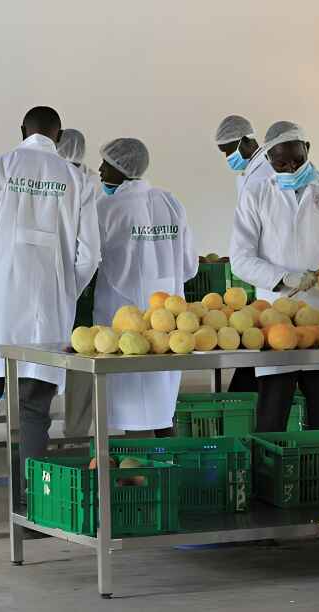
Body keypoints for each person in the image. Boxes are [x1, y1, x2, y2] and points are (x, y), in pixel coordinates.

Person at [0, 107, 101, 538]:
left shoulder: (1, 164)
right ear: (60, 135)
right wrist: (68, 287)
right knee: (34, 411)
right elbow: (90, 255)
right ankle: (31, 513)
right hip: (48, 305)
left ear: (22, 132)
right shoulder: (77, 179)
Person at [229, 121, 319, 432]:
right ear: (268, 160)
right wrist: (286, 278)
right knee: (271, 419)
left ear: (308, 149)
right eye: (281, 162)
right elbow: (240, 259)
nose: (291, 167)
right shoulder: (255, 193)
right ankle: (273, 480)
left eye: (297, 159)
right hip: (276, 318)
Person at [95, 138, 198, 437]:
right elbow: (189, 265)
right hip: (168, 316)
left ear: (122, 169)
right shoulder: (170, 201)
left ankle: (135, 469)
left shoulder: (106, 208)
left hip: (121, 313)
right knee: (162, 397)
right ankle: (167, 464)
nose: (100, 170)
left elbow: (88, 259)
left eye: (106, 164)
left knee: (129, 398)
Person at [215, 115, 273, 393]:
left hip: (272, 276)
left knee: (263, 368)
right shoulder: (251, 173)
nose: (228, 157)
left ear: (248, 140)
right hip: (263, 275)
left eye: (229, 149)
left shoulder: (265, 174)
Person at [58, 128, 100, 438]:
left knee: (79, 360)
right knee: (79, 360)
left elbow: (89, 250)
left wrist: (71, 287)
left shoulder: (87, 184)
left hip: (77, 284)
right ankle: (75, 433)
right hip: (80, 281)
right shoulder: (90, 183)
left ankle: (74, 433)